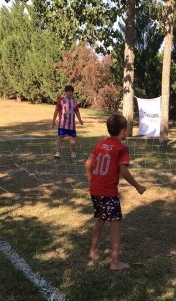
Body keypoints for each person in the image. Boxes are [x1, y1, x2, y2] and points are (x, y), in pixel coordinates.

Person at [85, 114, 146, 270]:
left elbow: (88, 163)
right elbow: (123, 171)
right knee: (115, 224)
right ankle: (115, 262)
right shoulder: (122, 148)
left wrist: (92, 180)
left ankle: (93, 251)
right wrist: (137, 186)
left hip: (95, 189)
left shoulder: (100, 144)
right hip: (108, 192)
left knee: (100, 219)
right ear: (123, 131)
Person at [52, 85, 83, 159]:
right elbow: (56, 111)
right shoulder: (61, 101)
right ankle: (58, 153)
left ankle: (73, 153)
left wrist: (80, 120)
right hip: (62, 124)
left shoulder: (74, 102)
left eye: (72, 91)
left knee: (72, 139)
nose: (71, 93)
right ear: (65, 92)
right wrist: (53, 120)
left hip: (71, 125)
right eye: (69, 91)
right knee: (60, 137)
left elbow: (77, 111)